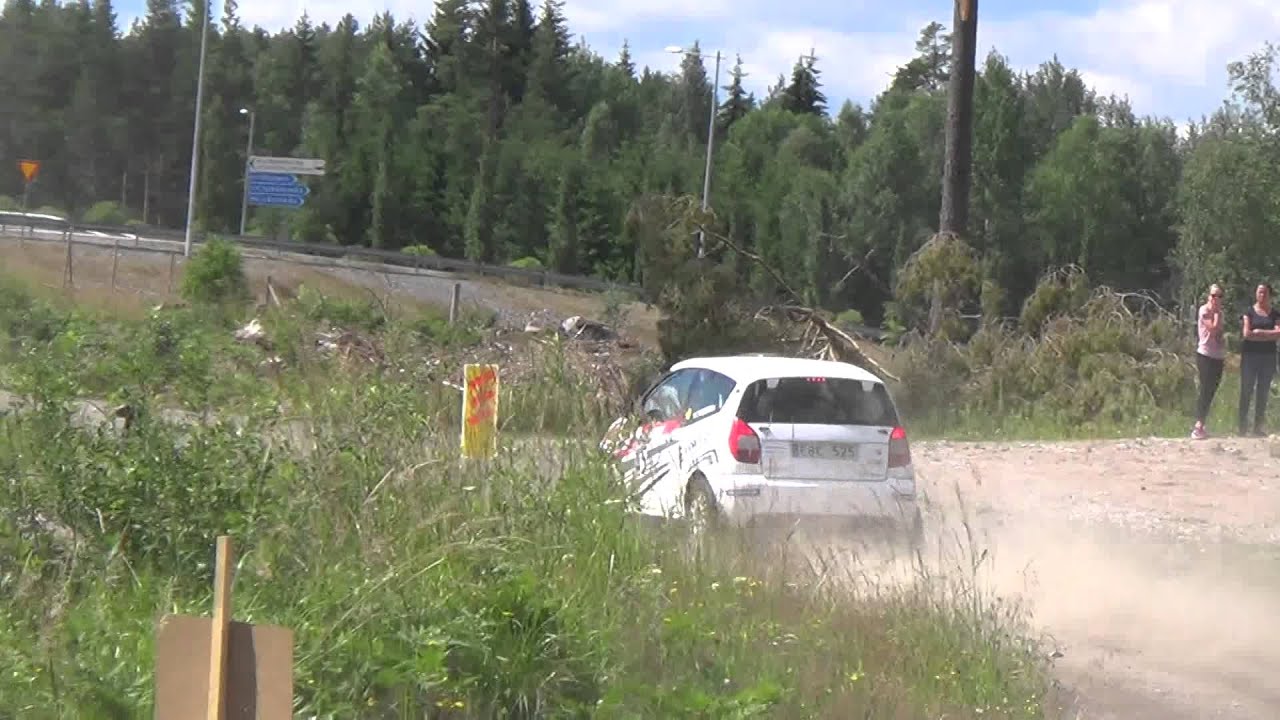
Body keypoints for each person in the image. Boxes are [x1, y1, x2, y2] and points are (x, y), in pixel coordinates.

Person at [1238, 282, 1280, 437]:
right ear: (1256, 294)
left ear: (1269, 294)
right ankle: (1242, 427)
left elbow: (1278, 333)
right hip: (1250, 356)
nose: (1262, 295)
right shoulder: (1249, 312)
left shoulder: (1275, 314)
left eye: (1265, 292)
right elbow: (1247, 334)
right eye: (1260, 292)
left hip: (1268, 357)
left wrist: (1259, 332)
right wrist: (1268, 335)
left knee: (1263, 392)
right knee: (1246, 390)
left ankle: (1258, 427)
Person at [1191, 284, 1225, 439]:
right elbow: (1213, 328)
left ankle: (1202, 424)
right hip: (1205, 354)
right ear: (1208, 296)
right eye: (1213, 295)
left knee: (1212, 390)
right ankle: (1197, 425)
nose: (1215, 299)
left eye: (1219, 296)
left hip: (1218, 355)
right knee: (1205, 389)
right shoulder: (1204, 310)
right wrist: (1216, 313)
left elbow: (1219, 335)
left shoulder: (1220, 313)